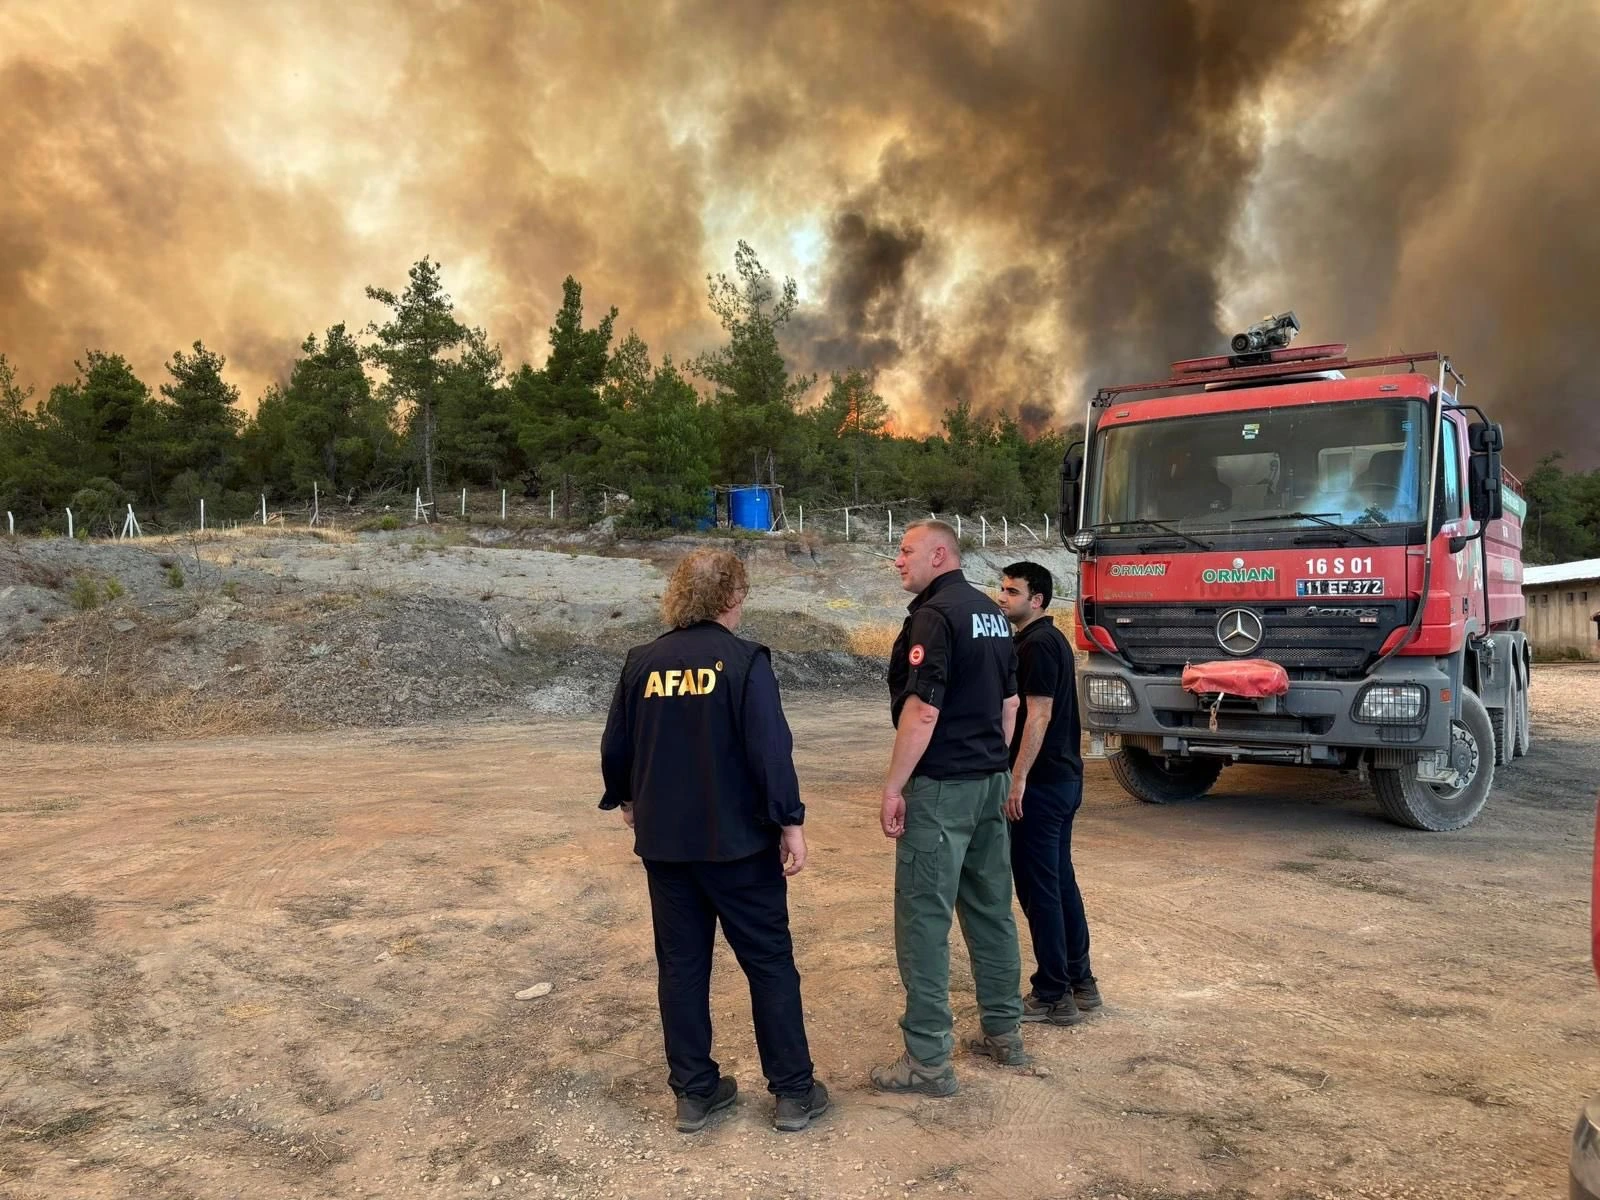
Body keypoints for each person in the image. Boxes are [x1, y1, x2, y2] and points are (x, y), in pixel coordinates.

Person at [599, 548, 829, 1134]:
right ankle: (794, 1093)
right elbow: (770, 750)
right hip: (739, 846)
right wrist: (790, 821)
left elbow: (616, 746)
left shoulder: (641, 662)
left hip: (667, 845)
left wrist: (626, 798)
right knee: (770, 965)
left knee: (681, 967)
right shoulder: (746, 661)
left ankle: (695, 1094)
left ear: (678, 596)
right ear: (733, 598)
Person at [872, 520, 1028, 1097]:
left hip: (942, 789)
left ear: (940, 555)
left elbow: (924, 712)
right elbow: (1009, 705)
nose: (898, 560)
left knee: (923, 922)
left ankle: (928, 1059)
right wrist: (996, 764)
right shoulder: (991, 612)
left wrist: (894, 787)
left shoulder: (934, 617)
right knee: (991, 910)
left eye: (906, 550)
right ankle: (1003, 1031)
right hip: (989, 778)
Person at [996, 561, 1102, 1027]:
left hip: (1041, 786)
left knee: (1040, 890)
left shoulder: (1038, 644)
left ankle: (1053, 994)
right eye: (1001, 589)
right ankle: (1082, 982)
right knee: (1059, 883)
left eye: (1012, 591)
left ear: (1036, 600)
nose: (1003, 598)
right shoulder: (1048, 639)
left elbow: (1037, 716)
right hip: (1062, 780)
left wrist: (1017, 778)